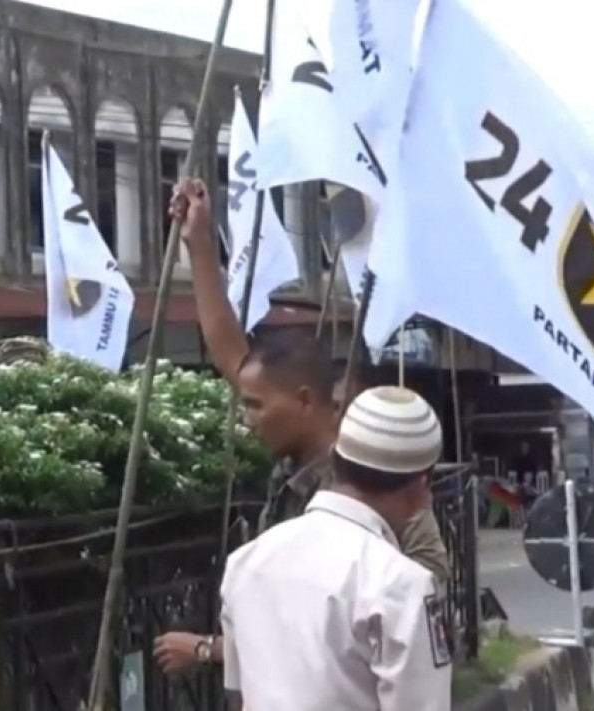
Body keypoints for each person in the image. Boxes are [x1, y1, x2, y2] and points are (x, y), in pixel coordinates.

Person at [152, 177, 450, 675]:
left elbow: (412, 608)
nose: (246, 420)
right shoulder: (295, 467)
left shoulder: (369, 476)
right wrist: (199, 244)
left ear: (306, 401)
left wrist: (214, 649)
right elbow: (231, 351)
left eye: (256, 407)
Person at [220, 385, 453, 710]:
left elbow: (241, 697)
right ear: (420, 487)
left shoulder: (245, 563)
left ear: (338, 461)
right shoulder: (401, 585)